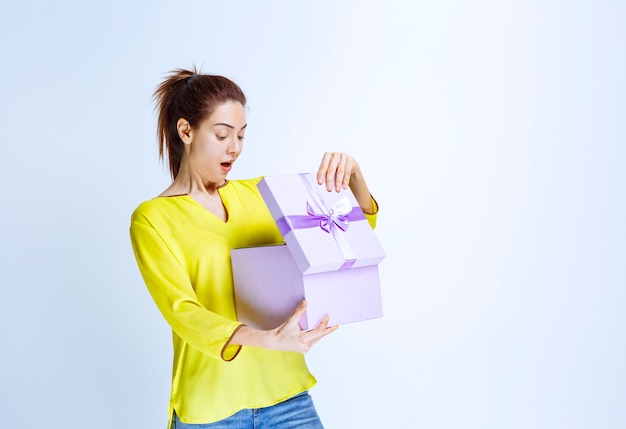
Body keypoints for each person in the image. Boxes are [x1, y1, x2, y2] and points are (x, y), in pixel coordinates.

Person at [129, 67, 379, 429]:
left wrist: (354, 177)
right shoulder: (153, 218)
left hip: (287, 399)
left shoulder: (262, 195)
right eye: (222, 135)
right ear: (186, 131)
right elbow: (183, 313)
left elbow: (348, 237)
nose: (235, 147)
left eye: (241, 136)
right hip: (211, 411)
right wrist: (267, 339)